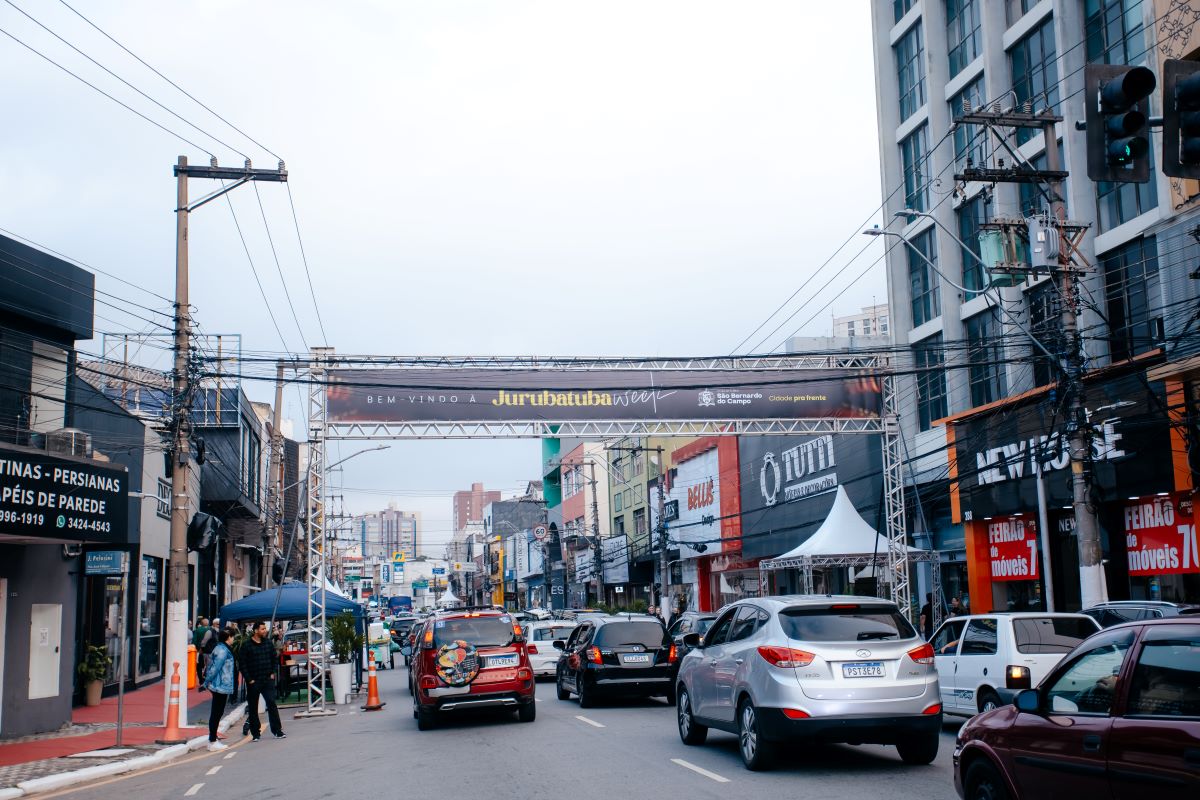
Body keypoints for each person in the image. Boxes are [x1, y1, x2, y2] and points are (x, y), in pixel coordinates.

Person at [237, 620, 285, 741]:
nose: (265, 631)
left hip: (267, 679)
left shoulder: (268, 643)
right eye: (262, 629)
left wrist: (273, 673)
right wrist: (249, 679)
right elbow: (242, 664)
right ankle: (255, 734)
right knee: (253, 707)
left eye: (265, 629)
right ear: (256, 630)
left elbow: (274, 659)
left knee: (271, 703)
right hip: (253, 681)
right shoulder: (247, 645)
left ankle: (277, 731)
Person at [202, 628, 236, 751]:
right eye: (233, 637)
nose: (233, 639)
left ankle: (213, 738)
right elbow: (215, 668)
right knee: (216, 713)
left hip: (220, 685)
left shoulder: (221, 648)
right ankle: (212, 740)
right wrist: (206, 682)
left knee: (218, 712)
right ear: (229, 637)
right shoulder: (223, 650)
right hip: (219, 685)